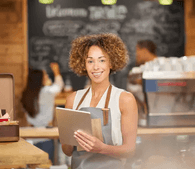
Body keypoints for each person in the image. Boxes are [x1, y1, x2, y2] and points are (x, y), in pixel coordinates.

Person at [61, 33, 138, 169]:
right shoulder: (73, 100)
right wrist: (68, 135)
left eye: (102, 60)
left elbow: (130, 150)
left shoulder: (124, 99)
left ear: (111, 62)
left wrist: (101, 148)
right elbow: (67, 151)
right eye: (90, 61)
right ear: (83, 64)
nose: (96, 67)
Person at [21, 62, 64, 163]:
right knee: (47, 165)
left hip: (30, 137)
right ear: (41, 79)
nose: (48, 77)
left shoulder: (26, 94)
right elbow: (59, 86)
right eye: (45, 76)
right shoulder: (47, 93)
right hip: (46, 136)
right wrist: (56, 72)